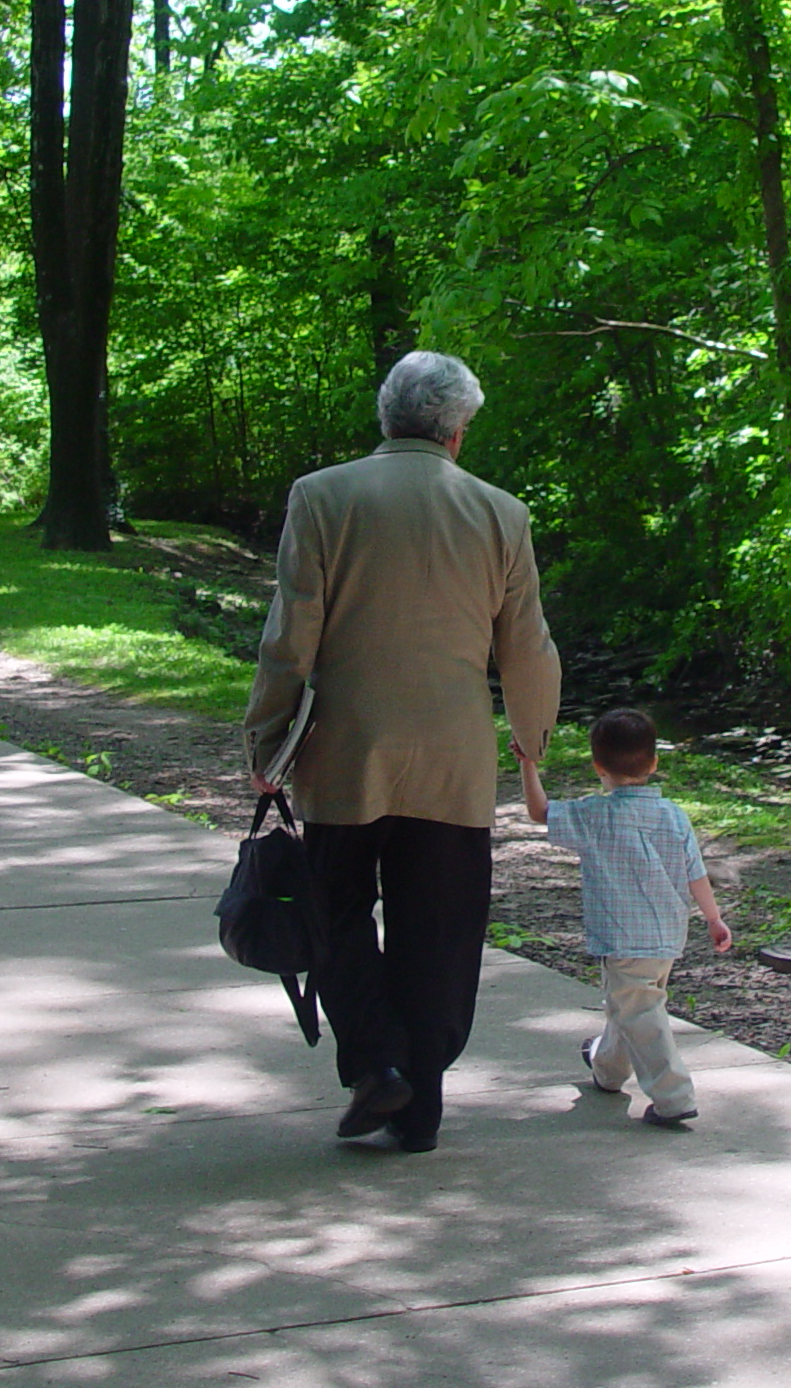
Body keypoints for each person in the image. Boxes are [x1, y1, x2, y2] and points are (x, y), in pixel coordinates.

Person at [243, 350, 560, 1154]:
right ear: (457, 431)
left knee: (336, 910)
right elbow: (526, 647)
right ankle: (421, 1105)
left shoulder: (322, 497)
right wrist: (530, 744)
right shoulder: (499, 512)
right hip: (454, 753)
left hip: (347, 747)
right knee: (443, 928)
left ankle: (379, 1063)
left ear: (387, 417)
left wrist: (269, 737)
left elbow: (292, 635)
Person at [515, 708, 732, 1127]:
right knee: (630, 1005)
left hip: (623, 937)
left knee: (639, 1011)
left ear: (598, 767)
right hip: (668, 934)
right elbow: (696, 872)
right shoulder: (674, 815)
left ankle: (673, 1096)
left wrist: (528, 764)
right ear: (653, 762)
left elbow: (540, 812)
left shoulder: (593, 814)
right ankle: (607, 1068)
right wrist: (713, 918)